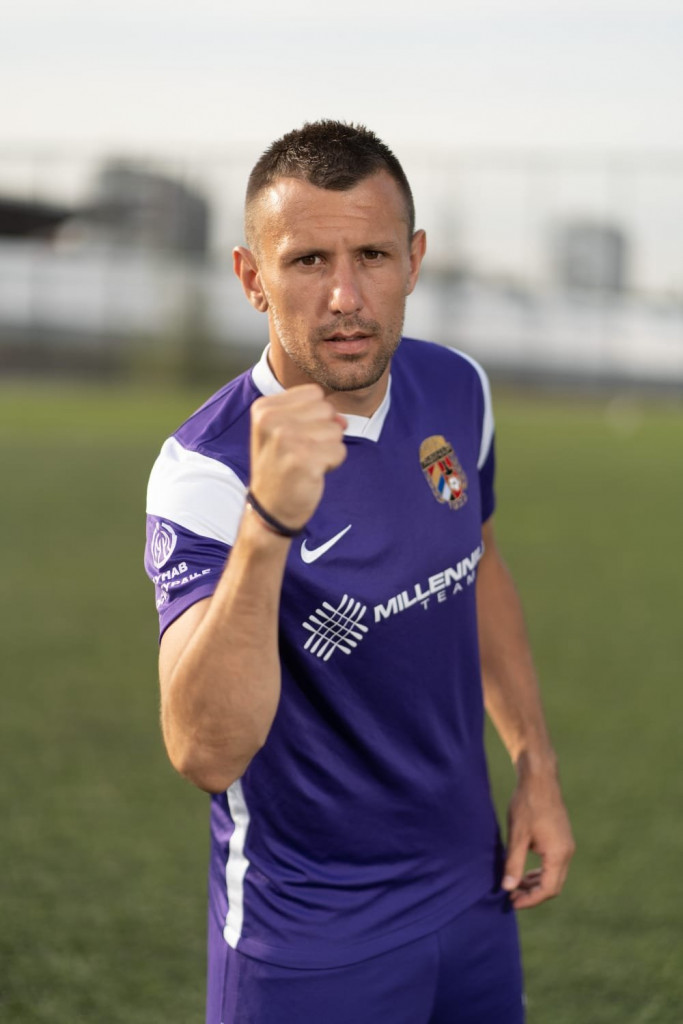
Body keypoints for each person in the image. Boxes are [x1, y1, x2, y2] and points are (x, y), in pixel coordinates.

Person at [144, 120, 574, 1024]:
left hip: (472, 889)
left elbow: (477, 564)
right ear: (251, 278)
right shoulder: (205, 472)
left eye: (372, 255)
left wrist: (534, 761)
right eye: (307, 261)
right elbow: (204, 752)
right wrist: (268, 526)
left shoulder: (457, 389)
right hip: (308, 931)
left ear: (412, 261)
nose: (345, 296)